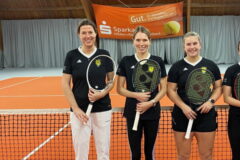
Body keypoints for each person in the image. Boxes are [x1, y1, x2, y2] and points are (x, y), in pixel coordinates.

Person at [61, 19, 115, 160]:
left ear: (96, 34)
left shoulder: (104, 54)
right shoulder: (71, 55)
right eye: (84, 33)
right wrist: (76, 109)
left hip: (102, 109)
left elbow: (111, 81)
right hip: (79, 112)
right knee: (81, 153)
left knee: (103, 152)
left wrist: (102, 93)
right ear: (79, 35)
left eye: (90, 32)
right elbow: (65, 84)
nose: (87, 36)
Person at [167, 31, 222, 160]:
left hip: (206, 117)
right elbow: (170, 90)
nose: (192, 47)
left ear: (200, 45)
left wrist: (210, 101)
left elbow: (219, 87)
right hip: (182, 116)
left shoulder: (211, 66)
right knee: (183, 155)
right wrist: (183, 107)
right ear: (184, 47)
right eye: (188, 44)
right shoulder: (176, 67)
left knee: (206, 155)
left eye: (195, 43)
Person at [116, 26, 167, 160]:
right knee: (135, 154)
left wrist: (151, 103)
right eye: (138, 40)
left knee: (149, 153)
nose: (141, 43)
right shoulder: (126, 61)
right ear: (133, 41)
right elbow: (119, 88)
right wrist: (136, 95)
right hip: (132, 111)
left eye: (144, 40)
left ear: (150, 41)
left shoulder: (158, 61)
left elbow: (164, 88)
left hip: (152, 112)